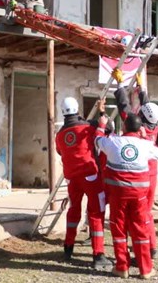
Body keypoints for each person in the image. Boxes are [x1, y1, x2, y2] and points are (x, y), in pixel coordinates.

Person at [95, 112, 158, 280]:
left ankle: (122, 267)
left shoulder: (113, 142)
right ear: (140, 129)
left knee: (119, 230)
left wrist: (101, 126)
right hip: (139, 196)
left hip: (118, 195)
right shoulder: (145, 145)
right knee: (140, 230)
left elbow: (97, 140)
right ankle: (145, 269)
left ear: (123, 127)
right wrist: (145, 138)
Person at [54, 97, 110, 270]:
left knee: (73, 210)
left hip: (72, 178)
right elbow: (107, 129)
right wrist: (102, 111)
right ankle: (98, 254)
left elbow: (60, 151)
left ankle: (68, 248)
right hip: (90, 175)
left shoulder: (59, 135)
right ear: (77, 108)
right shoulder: (89, 127)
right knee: (96, 213)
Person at [112, 69, 158, 258]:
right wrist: (141, 89)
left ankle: (139, 248)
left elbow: (123, 106)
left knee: (133, 213)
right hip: (151, 171)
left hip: (137, 172)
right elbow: (148, 107)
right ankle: (151, 246)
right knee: (146, 211)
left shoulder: (136, 125)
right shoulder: (154, 125)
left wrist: (120, 85)